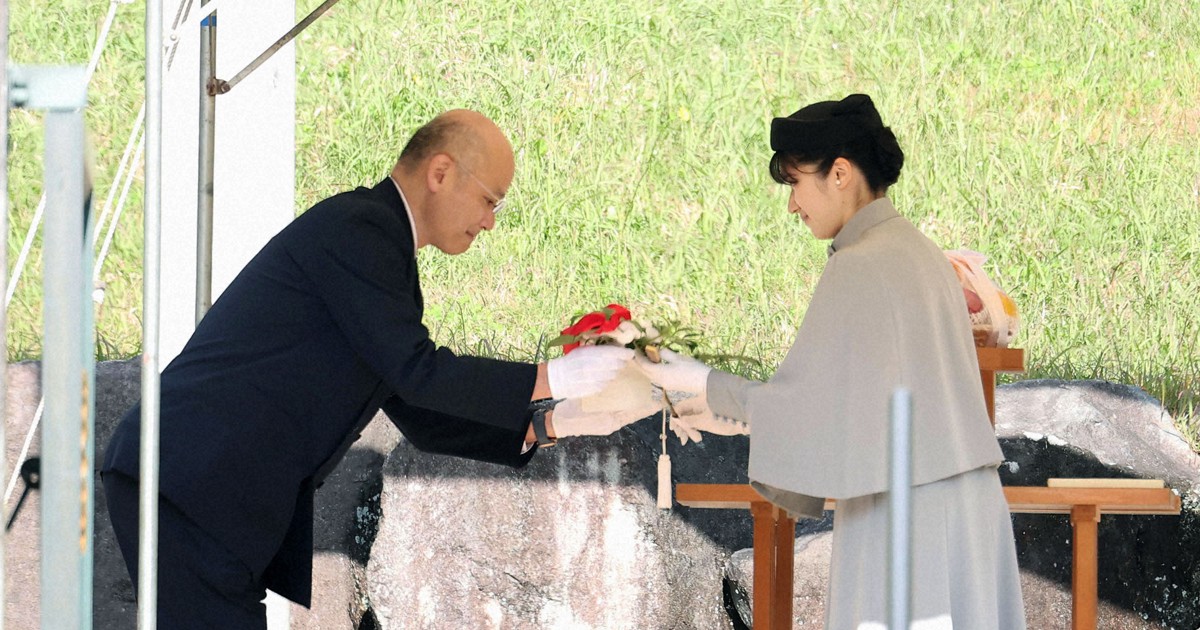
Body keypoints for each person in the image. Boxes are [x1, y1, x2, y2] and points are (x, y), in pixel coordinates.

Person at [101, 109, 655, 629]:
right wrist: (554, 377)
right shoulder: (360, 228)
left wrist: (557, 421)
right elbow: (419, 372)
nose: (489, 222)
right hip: (191, 478)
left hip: (206, 488)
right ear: (441, 172)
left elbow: (419, 411)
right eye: (489, 200)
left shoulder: (379, 247)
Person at [639, 94, 1026, 629]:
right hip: (967, 506)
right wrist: (723, 406)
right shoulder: (920, 252)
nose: (792, 205)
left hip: (908, 516)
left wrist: (703, 386)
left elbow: (805, 404)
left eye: (796, 183)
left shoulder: (861, 263)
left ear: (839, 174)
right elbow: (854, 405)